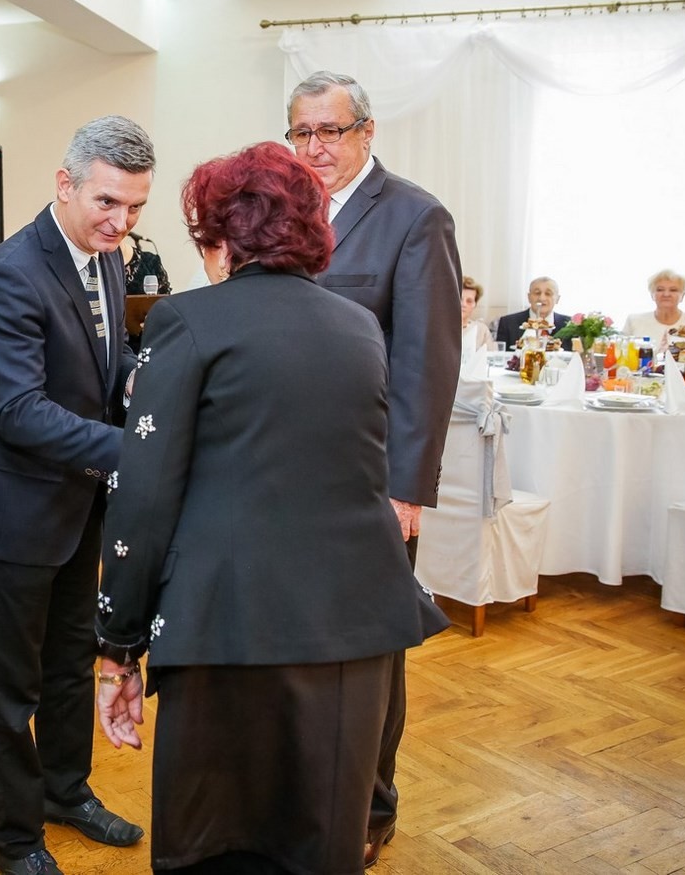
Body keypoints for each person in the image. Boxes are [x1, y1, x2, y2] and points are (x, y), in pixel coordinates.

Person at [95, 141, 449, 873]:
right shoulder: (358, 326)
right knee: (322, 842)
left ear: (221, 237)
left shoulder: (185, 319)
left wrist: (119, 645)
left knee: (216, 844)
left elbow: (145, 494)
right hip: (353, 624)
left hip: (227, 623)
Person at [0, 115, 155, 875]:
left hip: (80, 508)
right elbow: (18, 410)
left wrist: (135, 379)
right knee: (12, 688)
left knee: (72, 662)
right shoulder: (10, 272)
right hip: (16, 514)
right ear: (65, 183)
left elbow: (108, 355)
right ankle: (16, 838)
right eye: (108, 202)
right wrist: (136, 451)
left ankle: (66, 792)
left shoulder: (104, 255)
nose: (122, 222)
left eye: (135, 207)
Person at [287, 70, 461, 866]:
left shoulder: (416, 217)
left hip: (370, 482)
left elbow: (429, 364)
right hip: (291, 476)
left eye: (330, 130)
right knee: (306, 645)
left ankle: (372, 805)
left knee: (371, 650)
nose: (315, 147)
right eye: (302, 131)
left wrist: (407, 489)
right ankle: (306, 793)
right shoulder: (286, 211)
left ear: (366, 132)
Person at [622, 268, 685, 356]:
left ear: (683, 295)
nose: (666, 294)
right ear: (652, 294)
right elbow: (622, 357)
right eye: (660, 289)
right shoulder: (633, 321)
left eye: (673, 290)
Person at [495, 276, 570, 349]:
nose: (542, 298)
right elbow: (500, 354)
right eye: (537, 293)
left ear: (557, 299)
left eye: (548, 293)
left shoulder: (569, 324)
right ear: (529, 297)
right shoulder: (508, 322)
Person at [461, 275, 493, 351]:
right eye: (459, 299)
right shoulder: (438, 328)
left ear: (475, 305)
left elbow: (491, 355)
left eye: (469, 301)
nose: (463, 304)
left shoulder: (482, 330)